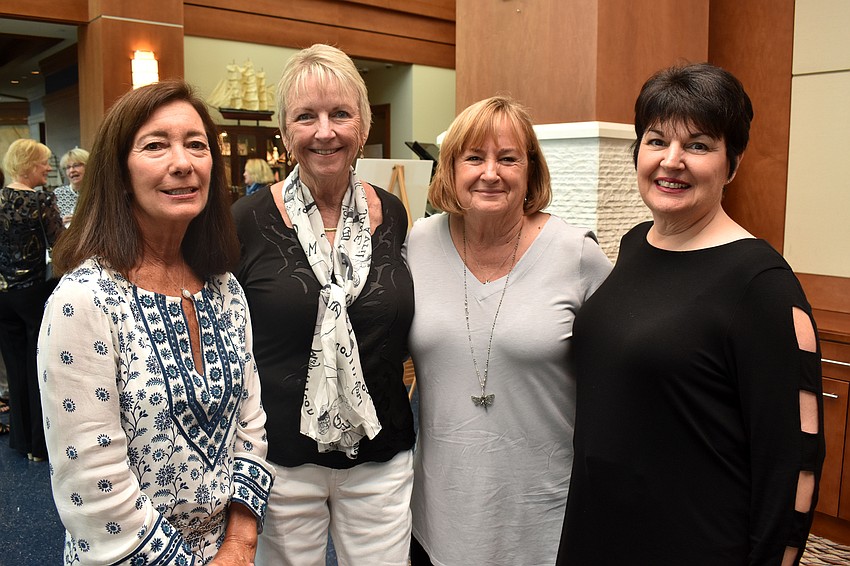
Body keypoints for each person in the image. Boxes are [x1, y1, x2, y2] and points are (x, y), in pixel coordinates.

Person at [557, 63, 824, 566]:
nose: (671, 161)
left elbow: (794, 462)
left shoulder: (760, 284)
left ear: (733, 164)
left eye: (698, 145)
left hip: (693, 543)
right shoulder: (636, 244)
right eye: (657, 141)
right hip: (599, 528)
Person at [38, 80, 274, 565]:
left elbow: (251, 425)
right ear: (119, 173)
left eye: (196, 145)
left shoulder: (225, 288)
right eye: (155, 146)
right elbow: (93, 485)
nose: (183, 163)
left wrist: (240, 542)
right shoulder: (83, 302)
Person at [405, 96, 612, 565]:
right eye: (474, 157)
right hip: (439, 511)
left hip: (541, 511)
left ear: (530, 170)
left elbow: (617, 378)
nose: (490, 172)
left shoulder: (576, 254)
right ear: (450, 169)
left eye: (508, 158)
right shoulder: (418, 244)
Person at [232, 44, 415, 565]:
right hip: (282, 460)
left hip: (381, 454)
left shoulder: (394, 212)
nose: (324, 131)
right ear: (285, 130)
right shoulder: (244, 220)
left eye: (340, 113)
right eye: (305, 116)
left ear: (363, 122)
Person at [0, 139, 62, 456]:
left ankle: (19, 440)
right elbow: (60, 245)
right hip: (33, 293)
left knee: (15, 367)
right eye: (44, 163)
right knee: (38, 368)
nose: (48, 169)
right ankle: (39, 445)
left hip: (3, 296)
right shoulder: (41, 203)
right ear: (29, 165)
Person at [55, 147, 89, 226]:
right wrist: (60, 223)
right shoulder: (58, 194)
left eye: (76, 165)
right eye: (68, 167)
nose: (71, 170)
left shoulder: (98, 194)